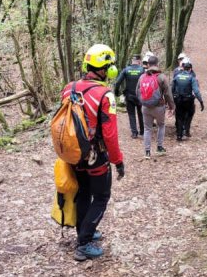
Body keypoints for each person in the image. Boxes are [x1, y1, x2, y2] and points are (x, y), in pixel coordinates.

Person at [60, 44, 125, 261]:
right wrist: (118, 161)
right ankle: (84, 242)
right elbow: (110, 135)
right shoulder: (105, 95)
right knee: (102, 196)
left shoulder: (68, 88)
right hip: (96, 156)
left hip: (73, 154)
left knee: (84, 193)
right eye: (110, 66)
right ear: (105, 69)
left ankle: (84, 230)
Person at [136, 55, 175, 159]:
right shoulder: (161, 77)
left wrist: (143, 102)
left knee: (147, 128)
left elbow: (137, 92)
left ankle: (147, 152)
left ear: (148, 65)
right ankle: (159, 147)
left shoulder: (142, 77)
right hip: (159, 106)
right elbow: (168, 93)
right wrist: (172, 106)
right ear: (157, 64)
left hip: (145, 107)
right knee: (161, 126)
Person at [172, 58, 204, 141]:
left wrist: (171, 100)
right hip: (188, 100)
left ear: (183, 68)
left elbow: (172, 88)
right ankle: (186, 130)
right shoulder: (192, 78)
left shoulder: (176, 77)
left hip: (178, 100)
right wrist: (201, 101)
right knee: (189, 114)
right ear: (190, 69)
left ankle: (179, 135)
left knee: (179, 116)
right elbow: (196, 91)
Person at [114, 55, 145, 138]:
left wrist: (116, 92)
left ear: (132, 60)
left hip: (129, 95)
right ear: (139, 61)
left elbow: (117, 82)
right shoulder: (143, 70)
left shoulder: (126, 70)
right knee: (141, 113)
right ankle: (142, 131)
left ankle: (134, 133)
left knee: (131, 114)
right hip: (140, 96)